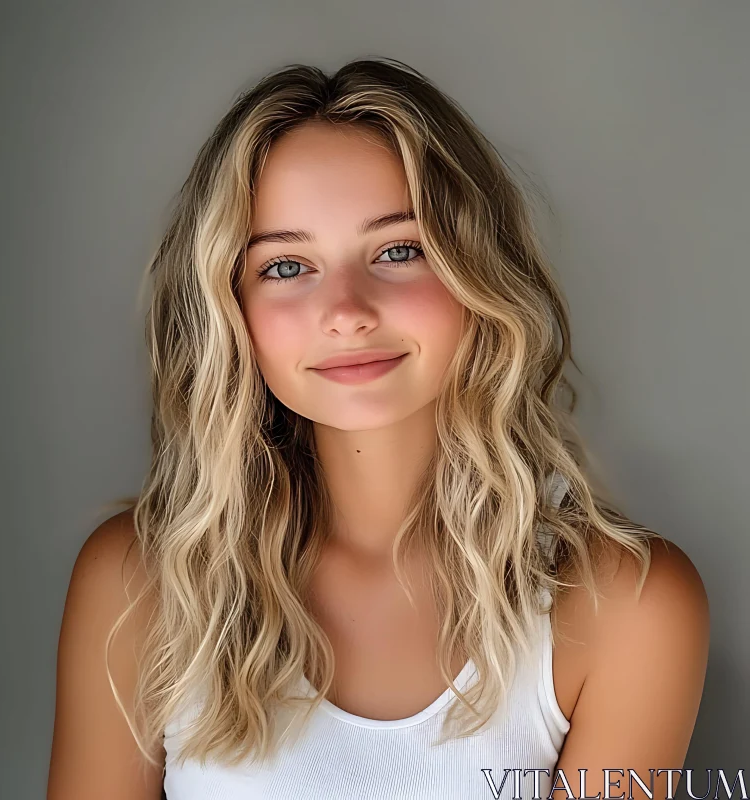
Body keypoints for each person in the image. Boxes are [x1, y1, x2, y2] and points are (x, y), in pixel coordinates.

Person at [47, 58, 709, 800]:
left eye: (399, 250)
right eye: (286, 265)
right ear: (230, 310)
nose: (347, 310)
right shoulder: (137, 585)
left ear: (478, 276)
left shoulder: (630, 606)